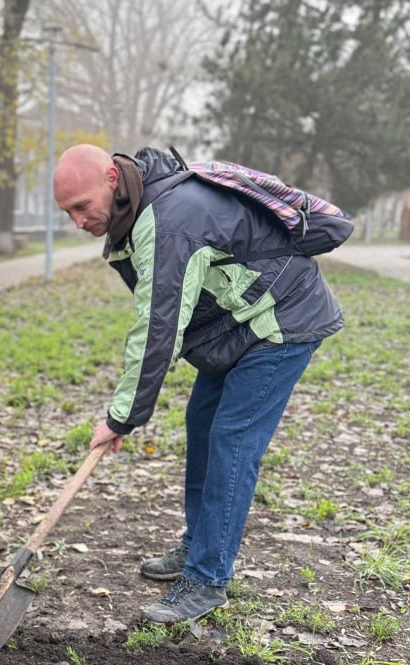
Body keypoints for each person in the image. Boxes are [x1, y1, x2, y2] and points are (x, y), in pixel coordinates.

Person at [53, 143, 351, 624]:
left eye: (81, 206)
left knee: (232, 441)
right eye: (67, 212)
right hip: (239, 326)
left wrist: (121, 418)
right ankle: (198, 545)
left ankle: (207, 578)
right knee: (202, 423)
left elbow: (157, 328)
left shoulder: (170, 220)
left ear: (111, 178)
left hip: (280, 321)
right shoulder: (145, 208)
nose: (77, 221)